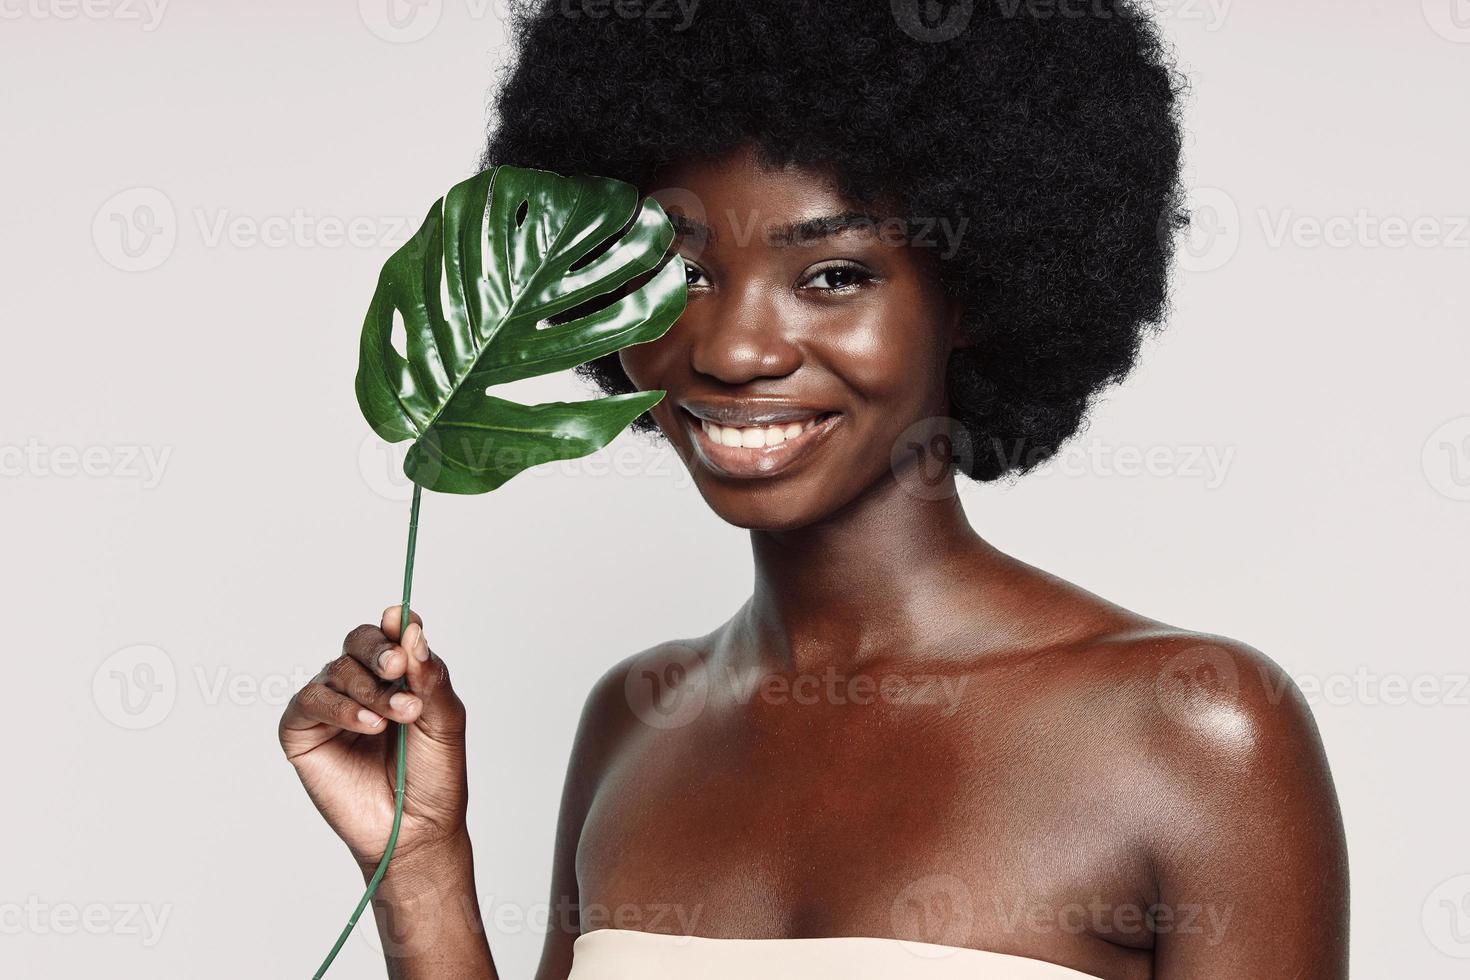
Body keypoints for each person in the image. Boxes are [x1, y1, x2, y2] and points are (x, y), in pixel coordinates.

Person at [279, 2, 1349, 976]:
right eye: (686, 273)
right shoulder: (637, 720)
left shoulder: (1195, 727)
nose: (735, 349)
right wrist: (418, 869)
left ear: (969, 296)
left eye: (833, 274)